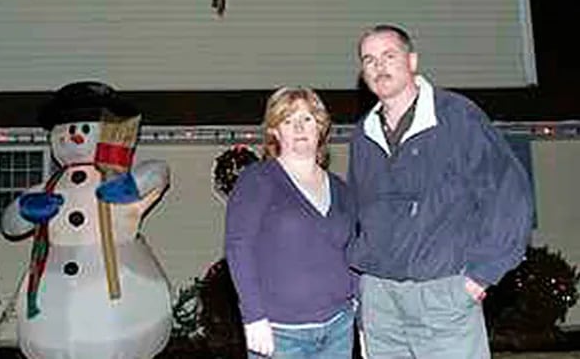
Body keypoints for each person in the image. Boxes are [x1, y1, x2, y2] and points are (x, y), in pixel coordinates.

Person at [347, 24, 534, 358]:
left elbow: (509, 194)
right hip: (380, 300)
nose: (379, 66)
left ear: (412, 61)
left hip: (442, 294)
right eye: (369, 60)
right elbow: (361, 214)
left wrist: (481, 275)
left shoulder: (456, 117)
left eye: (389, 56)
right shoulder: (364, 134)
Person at [225, 87, 357, 358]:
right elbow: (239, 247)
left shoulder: (341, 189)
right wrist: (253, 317)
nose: (299, 128)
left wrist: (358, 305)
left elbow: (354, 251)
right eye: (288, 121)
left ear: (320, 127)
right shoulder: (258, 180)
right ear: (275, 131)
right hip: (280, 334)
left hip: (338, 327)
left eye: (307, 119)